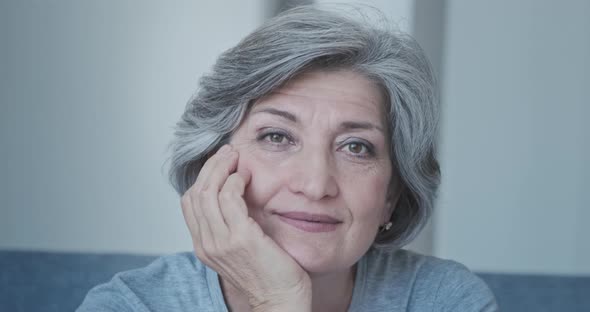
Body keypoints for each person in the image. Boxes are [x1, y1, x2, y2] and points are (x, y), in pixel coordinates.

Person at [78, 5, 498, 312]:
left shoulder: (443, 300)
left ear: (391, 195)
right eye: (277, 136)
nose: (315, 184)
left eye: (356, 147)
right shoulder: (131, 306)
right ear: (212, 166)